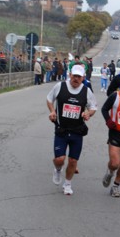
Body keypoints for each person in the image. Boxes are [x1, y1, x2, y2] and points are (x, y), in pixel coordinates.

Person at [46, 65, 97, 195]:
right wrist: (52, 111)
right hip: (61, 129)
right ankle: (58, 169)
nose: (76, 79)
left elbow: (93, 107)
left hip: (77, 130)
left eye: (79, 77)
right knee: (60, 159)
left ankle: (67, 184)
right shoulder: (60, 86)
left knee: (73, 160)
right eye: (74, 76)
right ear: (70, 75)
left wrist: (88, 114)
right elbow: (49, 99)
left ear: (83, 78)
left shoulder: (86, 91)